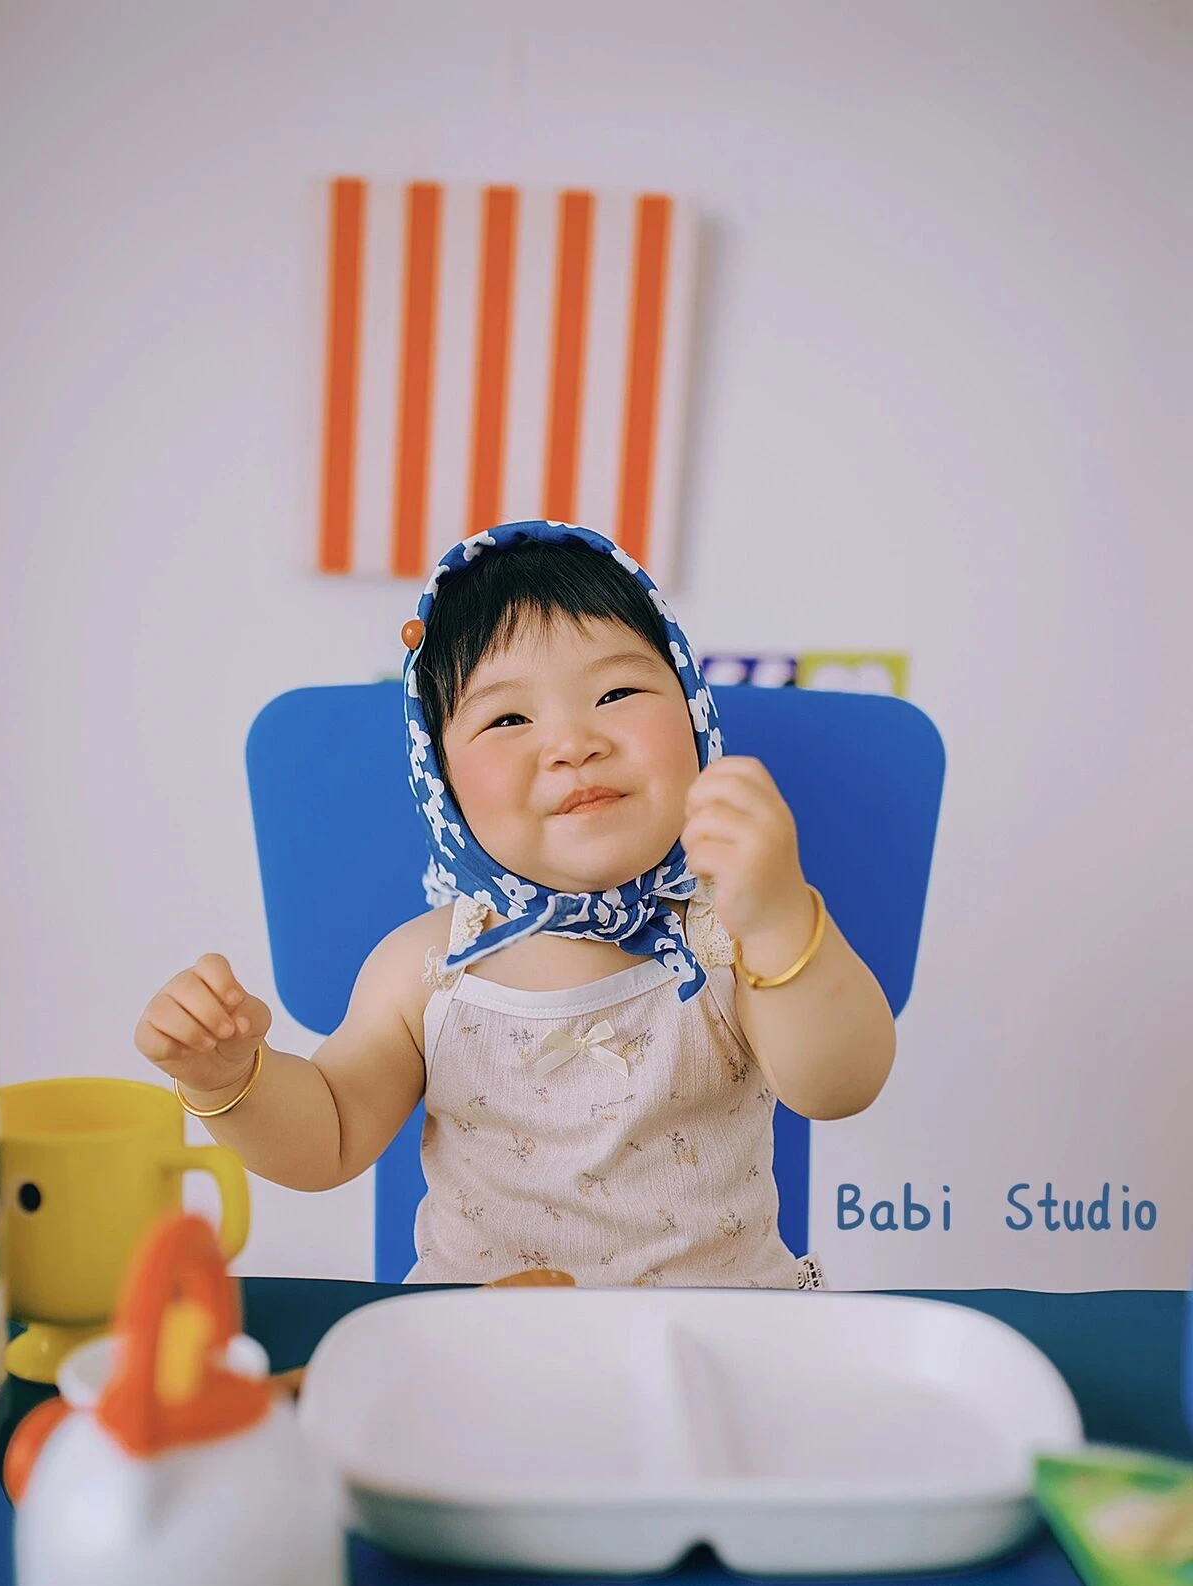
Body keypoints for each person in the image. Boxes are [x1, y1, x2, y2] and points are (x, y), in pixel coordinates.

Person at [134, 521, 895, 1287]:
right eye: (508, 718)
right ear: (442, 780)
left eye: (617, 692)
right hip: (484, 1358)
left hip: (725, 1342)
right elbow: (329, 1133)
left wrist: (778, 916)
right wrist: (230, 1079)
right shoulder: (426, 969)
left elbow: (837, 1085)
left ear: (694, 713)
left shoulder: (726, 933)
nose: (572, 742)